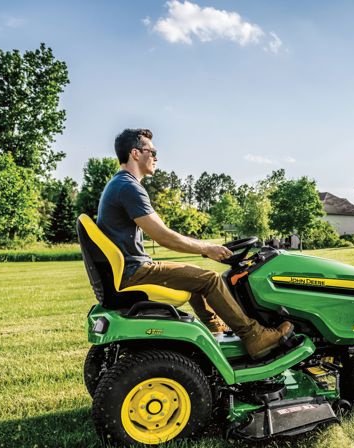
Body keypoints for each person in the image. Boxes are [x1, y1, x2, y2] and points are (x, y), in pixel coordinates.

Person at [96, 128, 292, 359]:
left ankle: (216, 328)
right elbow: (164, 236)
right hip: (134, 271)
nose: (156, 157)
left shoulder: (119, 184)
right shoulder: (128, 187)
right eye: (153, 151)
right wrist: (206, 248)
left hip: (129, 269)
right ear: (135, 153)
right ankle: (255, 336)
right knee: (209, 280)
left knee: (196, 276)